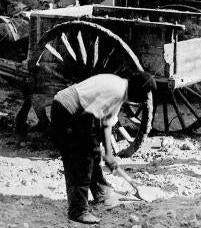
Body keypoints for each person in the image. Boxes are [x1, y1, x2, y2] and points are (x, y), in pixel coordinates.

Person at [50, 72, 157, 224]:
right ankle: (77, 211)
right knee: (81, 159)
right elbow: (87, 117)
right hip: (65, 111)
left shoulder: (121, 92)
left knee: (91, 153)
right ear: (136, 90)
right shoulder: (116, 90)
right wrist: (95, 147)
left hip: (80, 114)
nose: (145, 99)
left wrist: (109, 154)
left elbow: (106, 125)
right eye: (145, 94)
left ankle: (101, 192)